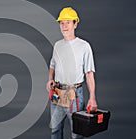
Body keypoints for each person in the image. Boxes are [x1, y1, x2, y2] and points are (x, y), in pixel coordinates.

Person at [46, 7, 98, 139]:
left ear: (75, 24)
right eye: (61, 23)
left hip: (74, 95)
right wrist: (50, 79)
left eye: (68, 22)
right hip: (57, 94)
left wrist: (92, 97)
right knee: (55, 130)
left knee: (77, 134)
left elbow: (89, 74)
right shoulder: (57, 45)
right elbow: (52, 65)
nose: (64, 26)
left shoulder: (84, 46)